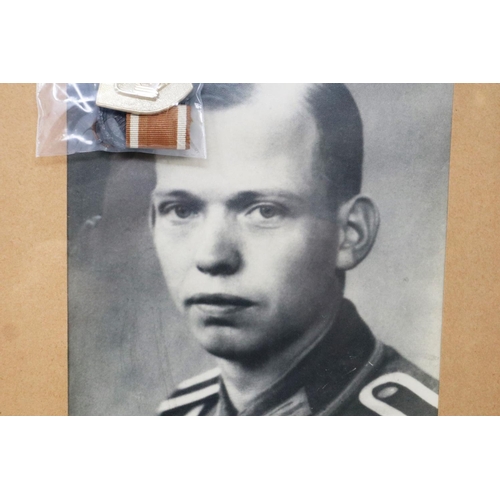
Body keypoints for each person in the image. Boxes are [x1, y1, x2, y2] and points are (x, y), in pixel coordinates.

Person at [152, 84, 439, 416]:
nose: (212, 257)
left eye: (265, 211)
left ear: (351, 234)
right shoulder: (177, 413)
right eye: (181, 210)